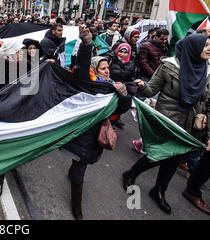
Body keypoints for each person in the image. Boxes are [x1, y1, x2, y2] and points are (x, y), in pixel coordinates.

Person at [124, 34, 210, 215]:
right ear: (194, 48)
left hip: (191, 126)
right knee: (160, 154)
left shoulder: (207, 71)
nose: (209, 49)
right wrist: (141, 86)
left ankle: (159, 191)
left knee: (175, 159)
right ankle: (131, 174)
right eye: (206, 45)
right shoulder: (170, 66)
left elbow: (207, 103)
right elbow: (151, 90)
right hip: (169, 120)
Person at [63, 26, 132, 220]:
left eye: (108, 67)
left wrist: (124, 95)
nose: (107, 70)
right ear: (94, 70)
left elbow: (121, 109)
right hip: (83, 133)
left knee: (79, 163)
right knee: (80, 168)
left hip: (97, 135)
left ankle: (72, 171)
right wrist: (87, 44)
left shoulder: (112, 87)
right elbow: (83, 67)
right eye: (103, 68)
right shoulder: (88, 82)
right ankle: (77, 207)